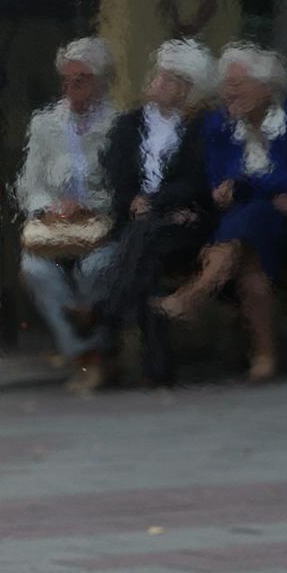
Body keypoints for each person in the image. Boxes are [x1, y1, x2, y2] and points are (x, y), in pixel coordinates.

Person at [155, 43, 287, 382]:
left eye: (238, 84)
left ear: (266, 87)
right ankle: (262, 353)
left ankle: (197, 294)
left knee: (253, 219)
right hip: (246, 221)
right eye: (226, 85)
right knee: (250, 253)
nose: (229, 93)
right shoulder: (219, 126)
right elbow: (218, 178)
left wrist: (249, 186)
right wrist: (244, 189)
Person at [88, 39, 217, 385]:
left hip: (184, 224)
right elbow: (116, 174)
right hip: (139, 223)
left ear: (188, 90)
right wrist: (134, 201)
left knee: (145, 239)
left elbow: (196, 180)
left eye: (173, 80)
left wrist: (158, 204)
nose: (161, 83)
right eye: (161, 76)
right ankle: (157, 365)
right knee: (146, 257)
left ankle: (109, 320)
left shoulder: (200, 130)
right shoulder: (128, 125)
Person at [17, 36, 118, 392]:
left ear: (101, 81)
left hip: (100, 229)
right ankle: (85, 356)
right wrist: (49, 208)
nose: (72, 86)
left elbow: (120, 186)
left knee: (97, 267)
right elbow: (29, 184)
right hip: (55, 229)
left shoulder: (117, 125)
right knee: (34, 269)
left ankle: (94, 352)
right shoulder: (45, 124)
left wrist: (89, 205)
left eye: (82, 79)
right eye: (68, 79)